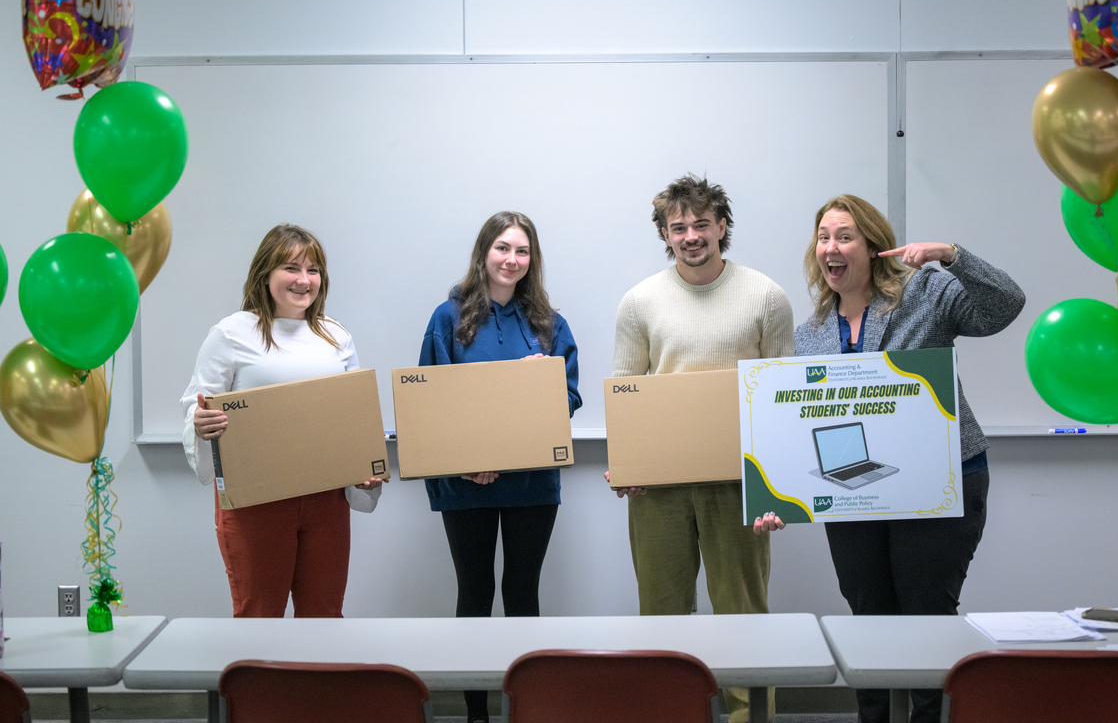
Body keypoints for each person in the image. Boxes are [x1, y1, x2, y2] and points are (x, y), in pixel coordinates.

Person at [758, 194, 1024, 723]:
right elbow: (800, 427)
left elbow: (1005, 305)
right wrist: (777, 498)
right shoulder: (810, 334)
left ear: (874, 248)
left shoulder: (925, 291)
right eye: (823, 237)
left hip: (941, 481)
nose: (831, 248)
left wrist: (950, 254)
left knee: (927, 619)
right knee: (869, 621)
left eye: (845, 236)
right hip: (857, 494)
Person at [607, 174, 794, 723]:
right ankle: (670, 712)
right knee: (662, 618)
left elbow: (782, 397)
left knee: (743, 616)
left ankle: (747, 717)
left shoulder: (765, 295)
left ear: (722, 227)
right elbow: (625, 388)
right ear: (666, 234)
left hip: (741, 482)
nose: (691, 236)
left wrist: (779, 492)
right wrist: (627, 465)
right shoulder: (640, 301)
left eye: (701, 224)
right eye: (678, 227)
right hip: (658, 487)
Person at [419, 211, 581, 723]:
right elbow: (428, 401)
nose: (512, 260)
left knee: (522, 591)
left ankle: (524, 710)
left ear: (533, 260)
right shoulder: (447, 318)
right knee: (475, 591)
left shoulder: (550, 324)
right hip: (464, 483)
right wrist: (471, 459)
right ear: (484, 252)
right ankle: (476, 714)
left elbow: (570, 396)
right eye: (503, 248)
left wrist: (540, 382)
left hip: (531, 482)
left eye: (523, 251)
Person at [180, 224, 383, 618]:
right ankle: (259, 684)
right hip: (256, 502)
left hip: (326, 502)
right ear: (265, 273)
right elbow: (197, 404)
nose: (304, 280)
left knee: (324, 615)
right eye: (292, 268)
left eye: (313, 270)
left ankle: (318, 684)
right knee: (259, 616)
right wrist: (200, 423)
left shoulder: (335, 336)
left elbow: (353, 417)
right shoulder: (232, 333)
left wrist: (364, 468)